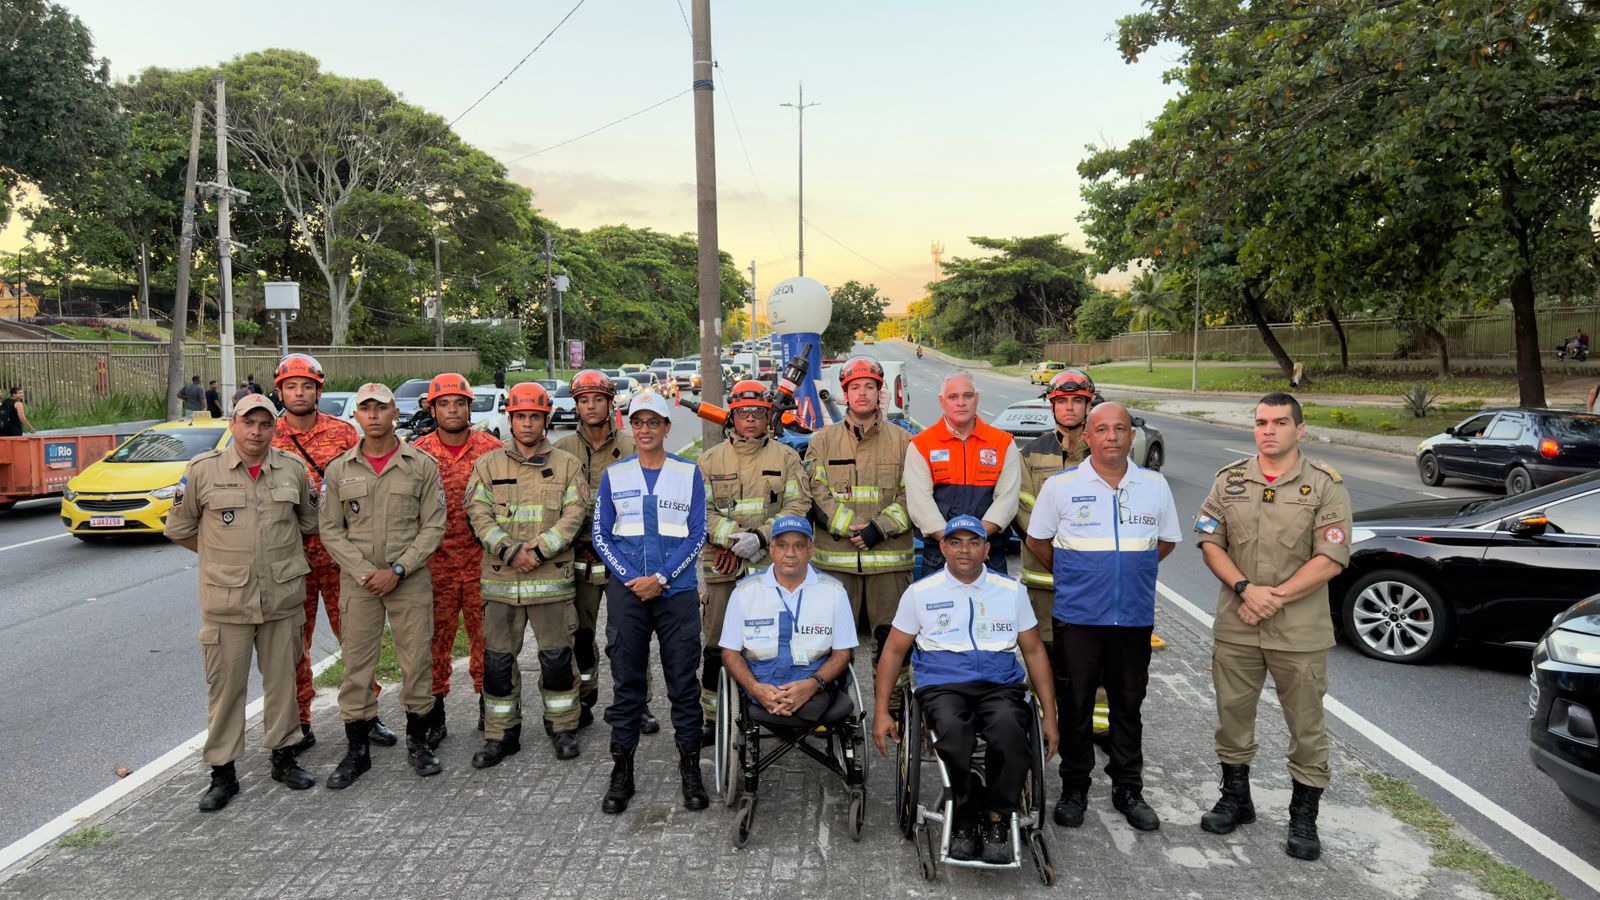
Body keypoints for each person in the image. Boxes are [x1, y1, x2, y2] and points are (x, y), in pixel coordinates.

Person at [1194, 392, 1352, 861]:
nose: (1269, 430)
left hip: (1298, 630)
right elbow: (1208, 540)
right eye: (1261, 422)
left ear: (1299, 430)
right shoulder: (1230, 480)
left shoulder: (1325, 485)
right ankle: (1236, 799)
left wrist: (1272, 597)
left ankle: (1303, 818)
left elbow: (1332, 557)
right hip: (1238, 623)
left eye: (1280, 422)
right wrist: (1246, 588)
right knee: (1232, 716)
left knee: (1306, 726)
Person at [1025, 403, 1181, 832]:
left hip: (1132, 618)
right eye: (1102, 429)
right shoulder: (1061, 486)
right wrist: (1078, 575)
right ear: (1087, 438)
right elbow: (1038, 540)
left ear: (1133, 437)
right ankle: (1074, 787)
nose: (1112, 436)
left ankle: (1128, 789)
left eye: (1120, 429)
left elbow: (1164, 543)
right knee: (1075, 705)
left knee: (1128, 706)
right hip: (1078, 616)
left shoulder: (1154, 486)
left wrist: (1129, 574)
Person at [164, 394, 319, 810]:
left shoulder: (292, 469)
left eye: (265, 424)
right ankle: (222, 773)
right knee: (226, 689)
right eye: (248, 423)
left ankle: (284, 757)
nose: (256, 432)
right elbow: (178, 528)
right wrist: (219, 558)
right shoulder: (203, 471)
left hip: (282, 598)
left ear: (274, 428)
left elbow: (308, 522)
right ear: (233, 424)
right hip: (226, 603)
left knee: (283, 682)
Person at [873, 516, 1058, 865]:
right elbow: (894, 652)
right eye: (955, 542)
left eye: (973, 542)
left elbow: (1033, 651)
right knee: (955, 737)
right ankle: (966, 813)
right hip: (942, 684)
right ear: (942, 548)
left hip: (999, 685)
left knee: (1010, 735)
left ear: (987, 550)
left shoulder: (1011, 591)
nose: (964, 550)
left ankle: (998, 816)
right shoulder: (920, 593)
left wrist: (1050, 715)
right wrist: (882, 710)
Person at [318, 382, 448, 787]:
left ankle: (418, 742)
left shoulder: (421, 465)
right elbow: (330, 529)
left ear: (396, 412)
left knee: (416, 662)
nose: (373, 415)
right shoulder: (339, 469)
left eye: (382, 408)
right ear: (355, 416)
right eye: (365, 408)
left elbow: (434, 526)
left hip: (408, 579)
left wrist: (399, 570)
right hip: (359, 583)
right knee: (356, 666)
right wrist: (364, 572)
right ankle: (357, 750)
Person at [591, 391, 709, 814]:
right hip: (628, 595)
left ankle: (690, 768)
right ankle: (621, 773)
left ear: (666, 427)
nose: (645, 430)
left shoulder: (688, 472)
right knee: (627, 687)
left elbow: (697, 534)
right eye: (638, 423)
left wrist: (660, 579)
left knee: (683, 684)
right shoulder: (614, 474)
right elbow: (601, 535)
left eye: (653, 422)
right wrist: (631, 579)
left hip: (674, 594)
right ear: (630, 427)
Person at [465, 382, 589, 764]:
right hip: (502, 583)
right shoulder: (487, 466)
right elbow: (478, 515)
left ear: (545, 419)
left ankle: (564, 728)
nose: (527, 423)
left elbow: (575, 515)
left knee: (556, 660)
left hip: (551, 582)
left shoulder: (567, 466)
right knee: (498, 664)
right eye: (520, 416)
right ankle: (501, 735)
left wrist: (540, 548)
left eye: (534, 416)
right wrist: (509, 550)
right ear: (511, 418)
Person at [269, 354, 382, 752]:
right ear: (279, 390)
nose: (299, 393)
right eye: (291, 386)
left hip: (341, 558)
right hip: (290, 560)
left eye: (307, 386)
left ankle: (366, 714)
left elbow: (367, 485)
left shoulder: (344, 433)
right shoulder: (268, 435)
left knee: (356, 638)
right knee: (292, 644)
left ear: (318, 389)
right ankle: (300, 720)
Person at [696, 379, 810, 745]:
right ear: (731, 416)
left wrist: (761, 538)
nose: (750, 418)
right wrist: (733, 540)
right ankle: (713, 717)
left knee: (770, 639)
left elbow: (798, 506)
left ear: (768, 418)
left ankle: (774, 704)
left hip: (770, 568)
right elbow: (701, 512)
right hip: (722, 567)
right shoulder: (710, 461)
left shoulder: (786, 458)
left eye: (758, 413)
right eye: (743, 412)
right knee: (716, 643)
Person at [802, 355, 913, 705]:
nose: (862, 393)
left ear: (880, 393)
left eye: (869, 386)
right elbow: (813, 491)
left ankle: (894, 709)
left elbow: (915, 495)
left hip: (889, 562)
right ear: (844, 394)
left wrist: (878, 530)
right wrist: (850, 527)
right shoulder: (822, 441)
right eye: (854, 387)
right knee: (833, 641)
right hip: (836, 562)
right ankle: (835, 709)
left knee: (893, 638)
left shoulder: (903, 441)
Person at [554, 369, 659, 735]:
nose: (591, 406)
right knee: (580, 635)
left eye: (598, 399)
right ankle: (584, 699)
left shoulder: (631, 447)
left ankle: (637, 703)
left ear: (610, 402)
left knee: (627, 636)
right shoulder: (562, 450)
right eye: (583, 400)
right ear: (576, 406)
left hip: (623, 560)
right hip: (578, 559)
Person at [410, 373, 503, 746]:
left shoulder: (492, 449)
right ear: (432, 409)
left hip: (483, 563)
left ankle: (490, 709)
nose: (453, 410)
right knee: (435, 643)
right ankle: (436, 715)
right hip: (435, 567)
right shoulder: (416, 453)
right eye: (444, 403)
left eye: (459, 403)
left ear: (470, 407)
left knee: (489, 641)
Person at [719, 516, 856, 725]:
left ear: (810, 550)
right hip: (761, 685)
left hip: (815, 684)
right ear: (772, 549)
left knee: (820, 702)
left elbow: (843, 653)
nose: (790, 554)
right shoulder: (745, 592)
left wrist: (812, 685)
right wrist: (756, 689)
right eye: (782, 546)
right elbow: (729, 652)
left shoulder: (835, 591)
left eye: (799, 546)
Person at [905, 370, 1021, 574]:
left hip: (989, 554)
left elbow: (1007, 499)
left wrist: (977, 543)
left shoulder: (1003, 443)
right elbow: (919, 503)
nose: (961, 402)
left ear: (977, 399)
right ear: (942, 401)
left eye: (967, 396)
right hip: (938, 555)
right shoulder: (922, 445)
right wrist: (952, 545)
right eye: (953, 397)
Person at [1014, 369, 1096, 641]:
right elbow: (1024, 509)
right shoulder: (1030, 453)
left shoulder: (1101, 452)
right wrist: (1055, 553)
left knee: (1088, 655)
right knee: (1044, 652)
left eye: (1076, 401)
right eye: (1062, 401)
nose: (1069, 407)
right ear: (1052, 406)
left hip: (1091, 580)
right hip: (1042, 577)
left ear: (1088, 405)